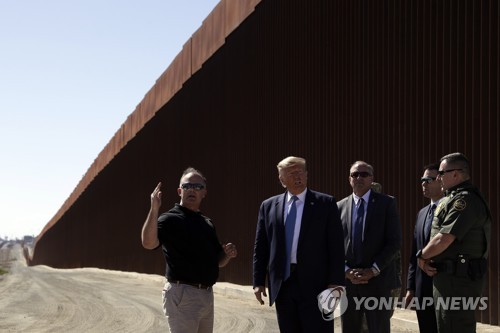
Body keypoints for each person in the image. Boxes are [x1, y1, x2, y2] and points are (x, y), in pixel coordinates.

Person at [252, 156, 345, 332]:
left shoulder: (325, 203)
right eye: (292, 173)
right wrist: (258, 281)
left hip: (317, 285)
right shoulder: (269, 206)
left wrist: (336, 282)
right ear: (281, 179)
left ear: (307, 174)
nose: (297, 176)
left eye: (300, 172)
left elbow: (336, 246)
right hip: (283, 284)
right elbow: (261, 246)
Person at [141, 167, 237, 333]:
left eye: (197, 187)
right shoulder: (169, 219)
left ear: (204, 192)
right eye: (187, 186)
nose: (192, 189)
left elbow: (218, 262)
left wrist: (227, 255)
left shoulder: (207, 223)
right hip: (182, 294)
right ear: (180, 191)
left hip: (206, 295)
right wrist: (154, 208)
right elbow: (148, 243)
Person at [417, 153, 491, 333]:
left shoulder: (464, 200)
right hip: (447, 280)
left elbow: (444, 238)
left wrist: (422, 257)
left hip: (458, 282)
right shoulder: (452, 198)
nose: (438, 177)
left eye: (441, 173)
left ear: (456, 174)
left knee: (454, 326)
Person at [337, 161, 402, 333]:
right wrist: (346, 271)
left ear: (371, 178)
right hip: (349, 284)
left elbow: (394, 241)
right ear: (349, 179)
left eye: (364, 174)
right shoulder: (339, 207)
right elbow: (334, 245)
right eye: (355, 175)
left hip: (378, 283)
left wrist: (373, 269)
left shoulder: (387, 203)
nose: (359, 178)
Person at [405, 163, 443, 333]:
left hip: (443, 286)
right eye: (422, 180)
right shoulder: (422, 213)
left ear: (441, 181)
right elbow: (415, 254)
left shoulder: (450, 210)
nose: (424, 183)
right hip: (422, 288)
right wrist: (410, 288)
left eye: (429, 179)